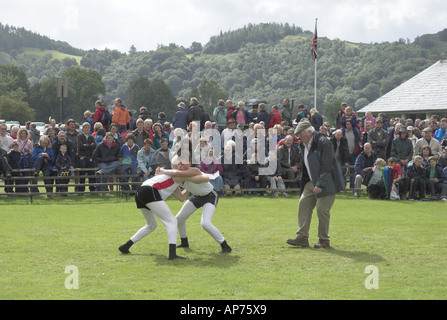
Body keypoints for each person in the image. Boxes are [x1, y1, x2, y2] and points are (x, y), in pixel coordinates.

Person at [118, 157, 210, 260]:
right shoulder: (177, 173)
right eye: (180, 164)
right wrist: (207, 177)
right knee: (172, 222)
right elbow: (200, 176)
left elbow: (181, 197)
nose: (182, 166)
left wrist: (189, 188)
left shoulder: (174, 177)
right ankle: (172, 254)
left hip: (141, 192)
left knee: (151, 225)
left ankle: (125, 246)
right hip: (150, 191)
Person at [287, 120, 344, 249]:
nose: (300, 138)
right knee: (303, 204)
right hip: (311, 181)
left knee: (322, 210)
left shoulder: (324, 142)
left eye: (301, 135)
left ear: (308, 132)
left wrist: (320, 184)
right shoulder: (304, 144)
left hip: (327, 181)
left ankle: (324, 240)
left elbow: (327, 166)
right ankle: (302, 237)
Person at [159, 157, 232, 254]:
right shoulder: (176, 178)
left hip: (210, 196)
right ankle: (184, 242)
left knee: (205, 223)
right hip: (197, 196)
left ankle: (225, 246)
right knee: (179, 219)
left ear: (189, 163)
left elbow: (205, 179)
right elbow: (181, 198)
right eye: (178, 165)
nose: (180, 166)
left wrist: (166, 172)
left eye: (182, 164)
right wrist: (181, 186)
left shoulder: (193, 170)